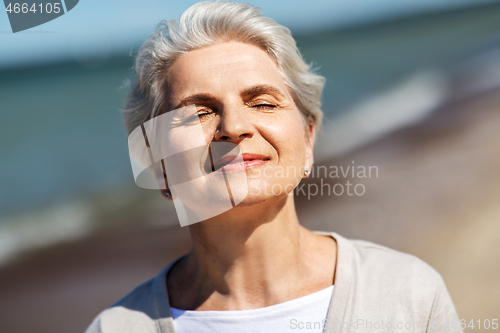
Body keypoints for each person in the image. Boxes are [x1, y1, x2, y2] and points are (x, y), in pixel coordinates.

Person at [85, 2, 462, 332]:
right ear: (156, 164)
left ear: (308, 138)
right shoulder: (117, 327)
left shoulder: (408, 294)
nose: (234, 127)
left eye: (263, 103)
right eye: (199, 113)